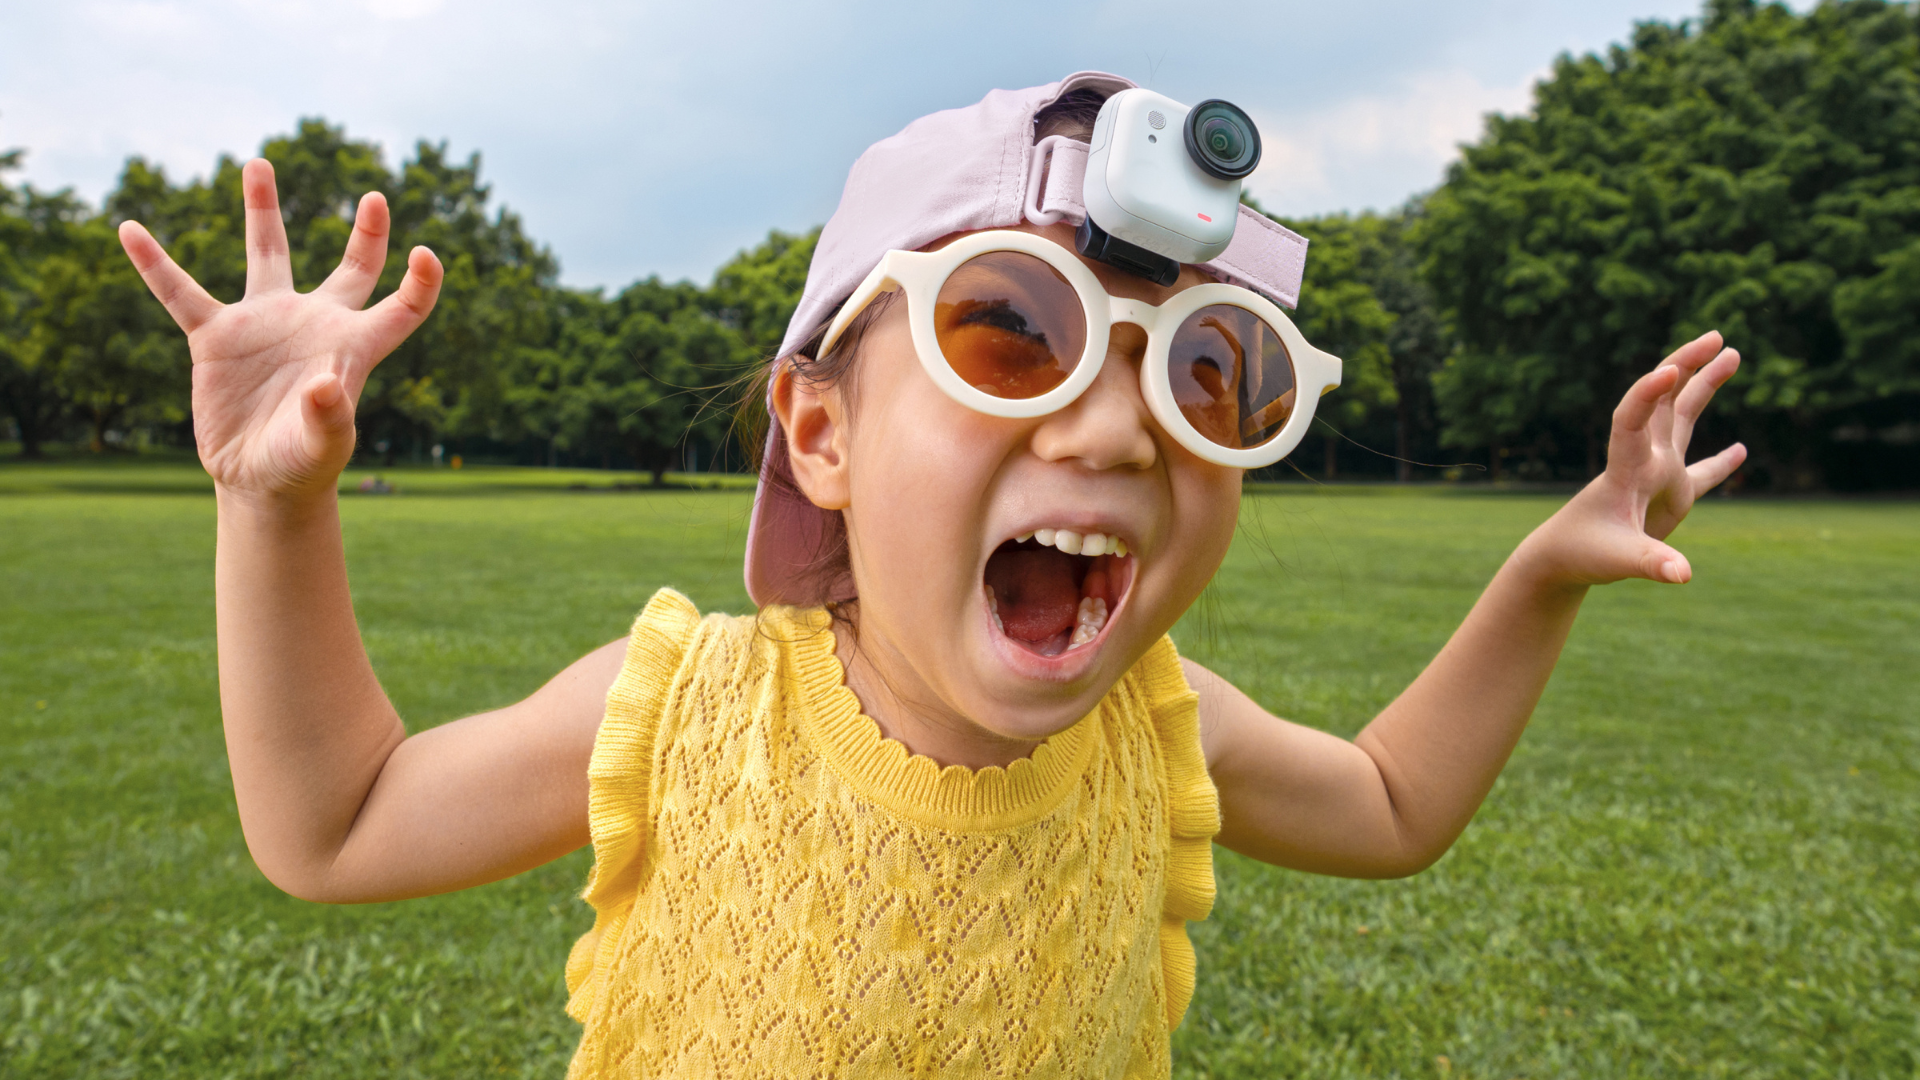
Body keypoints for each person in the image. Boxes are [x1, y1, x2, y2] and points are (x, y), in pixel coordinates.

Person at [117, 72, 1744, 1078]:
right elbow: (333, 829)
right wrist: (273, 511)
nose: (1117, 428)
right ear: (820, 432)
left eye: (1210, 370)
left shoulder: (1165, 733)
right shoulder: (684, 708)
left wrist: (1541, 575)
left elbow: (1391, 807)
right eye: (1012, 328)